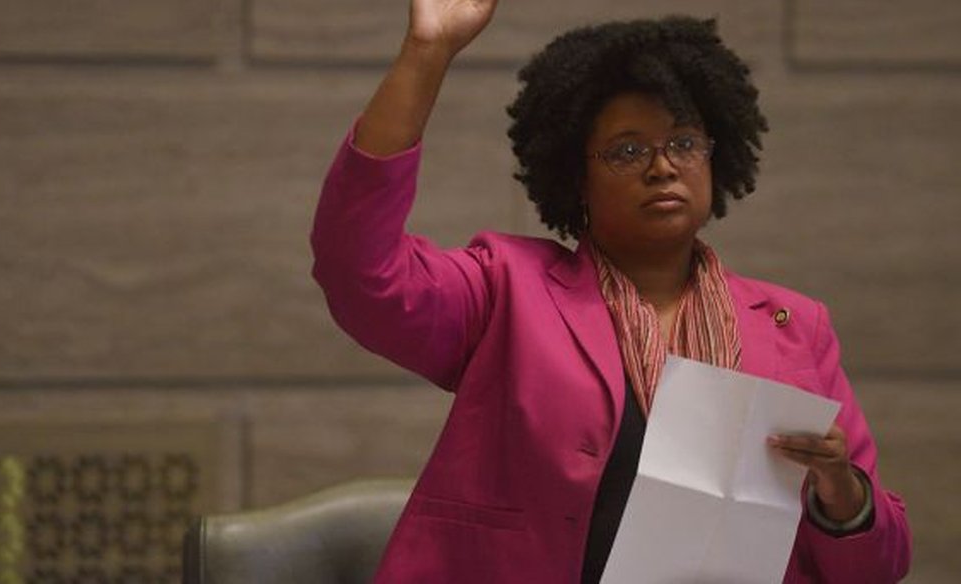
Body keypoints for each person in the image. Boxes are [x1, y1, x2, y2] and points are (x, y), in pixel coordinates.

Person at [310, 1, 912, 582]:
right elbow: (358, 268)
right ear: (577, 179)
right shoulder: (507, 289)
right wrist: (427, 51)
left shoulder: (795, 326)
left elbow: (878, 567)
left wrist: (842, 490)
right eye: (628, 151)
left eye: (683, 143)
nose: (662, 167)